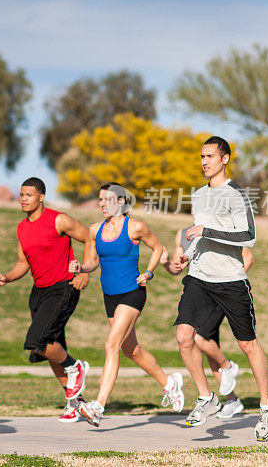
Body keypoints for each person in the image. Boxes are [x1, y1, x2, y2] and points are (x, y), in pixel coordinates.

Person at [173, 135, 268, 441]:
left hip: (230, 279)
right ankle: (207, 397)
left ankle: (267, 406)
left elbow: (248, 236)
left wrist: (207, 230)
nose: (204, 162)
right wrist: (185, 256)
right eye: (202, 156)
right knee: (183, 336)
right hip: (199, 277)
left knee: (248, 345)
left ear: (225, 159)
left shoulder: (236, 195)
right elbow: (199, 238)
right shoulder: (198, 195)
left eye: (210, 156)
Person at [69, 183, 185, 427]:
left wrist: (149, 272)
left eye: (107, 199)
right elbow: (92, 262)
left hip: (133, 293)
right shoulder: (94, 230)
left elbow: (158, 247)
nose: (101, 204)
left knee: (111, 344)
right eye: (99, 199)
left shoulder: (135, 227)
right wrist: (81, 268)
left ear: (120, 201)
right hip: (109, 295)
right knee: (130, 350)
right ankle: (169, 383)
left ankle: (98, 406)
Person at [0, 177, 91, 422]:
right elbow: (23, 263)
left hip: (63, 287)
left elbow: (90, 237)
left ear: (41, 197)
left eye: (29, 195)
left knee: (37, 341)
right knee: (51, 348)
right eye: (21, 195)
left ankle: (76, 367)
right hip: (39, 292)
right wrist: (7, 277)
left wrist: (85, 271)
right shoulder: (22, 228)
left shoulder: (59, 219)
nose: (23, 199)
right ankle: (75, 403)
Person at [160, 227, 255, 420]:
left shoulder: (219, 228)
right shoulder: (182, 233)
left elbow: (249, 257)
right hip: (200, 293)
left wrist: (228, 282)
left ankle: (227, 367)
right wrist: (166, 264)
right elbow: (176, 269)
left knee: (200, 338)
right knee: (207, 345)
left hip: (222, 291)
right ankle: (232, 400)